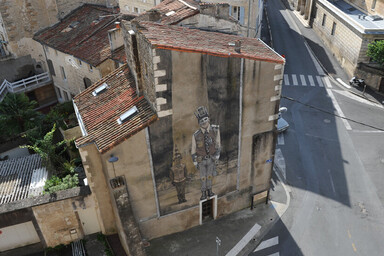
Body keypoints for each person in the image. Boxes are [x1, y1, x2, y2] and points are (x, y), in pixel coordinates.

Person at [191, 106, 221, 200]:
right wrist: (195, 162)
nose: (204, 122)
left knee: (209, 176)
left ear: (208, 119)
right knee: (203, 177)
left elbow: (218, 144)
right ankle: (203, 193)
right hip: (202, 161)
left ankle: (210, 191)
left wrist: (217, 157)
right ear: (199, 123)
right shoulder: (196, 135)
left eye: (205, 119)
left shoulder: (215, 130)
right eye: (201, 120)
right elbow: (193, 149)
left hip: (211, 158)